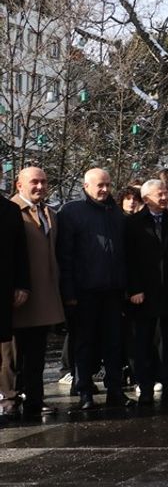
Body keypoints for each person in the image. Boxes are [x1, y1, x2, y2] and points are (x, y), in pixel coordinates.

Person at [58, 168, 131, 411]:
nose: (104, 189)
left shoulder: (116, 213)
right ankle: (84, 391)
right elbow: (65, 256)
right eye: (100, 185)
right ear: (86, 186)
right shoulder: (72, 212)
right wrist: (68, 293)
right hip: (84, 291)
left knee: (113, 343)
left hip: (112, 291)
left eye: (108, 185)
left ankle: (115, 390)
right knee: (84, 344)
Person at [126, 179, 168, 405]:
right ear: (145, 199)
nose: (164, 197)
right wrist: (134, 289)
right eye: (159, 194)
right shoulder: (133, 224)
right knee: (144, 343)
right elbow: (128, 260)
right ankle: (145, 387)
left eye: (166, 193)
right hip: (143, 294)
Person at [5, 168, 59, 421]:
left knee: (37, 352)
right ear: (19, 185)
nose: (39, 186)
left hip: (43, 294)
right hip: (18, 293)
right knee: (11, 353)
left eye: (43, 182)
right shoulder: (10, 211)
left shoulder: (50, 213)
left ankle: (35, 398)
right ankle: (10, 399)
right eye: (34, 182)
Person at [0, 181, 30, 422]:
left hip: (4, 289)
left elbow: (20, 251)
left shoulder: (9, 210)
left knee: (2, 350)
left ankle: (5, 399)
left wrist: (22, 284)